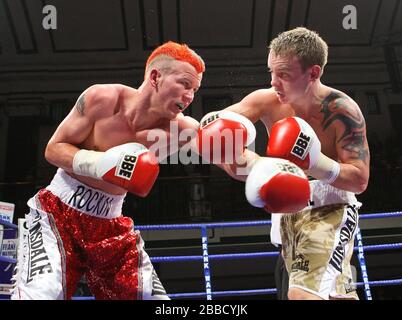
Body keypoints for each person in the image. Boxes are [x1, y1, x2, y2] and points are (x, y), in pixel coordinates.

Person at [11, 41, 208, 300]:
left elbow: (225, 149)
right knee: (42, 293)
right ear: (155, 77)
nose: (190, 95)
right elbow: (53, 149)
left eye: (194, 89)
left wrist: (256, 162)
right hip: (56, 214)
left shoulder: (182, 130)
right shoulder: (102, 99)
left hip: (110, 224)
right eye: (184, 84)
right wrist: (99, 164)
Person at [211, 27, 370, 300]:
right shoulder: (266, 100)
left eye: (284, 74)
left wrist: (315, 162)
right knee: (333, 295)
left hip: (330, 208)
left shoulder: (341, 110)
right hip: (286, 211)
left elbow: (359, 179)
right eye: (271, 72)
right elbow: (215, 135)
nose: (274, 82)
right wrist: (258, 165)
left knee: (301, 294)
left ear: (313, 73)